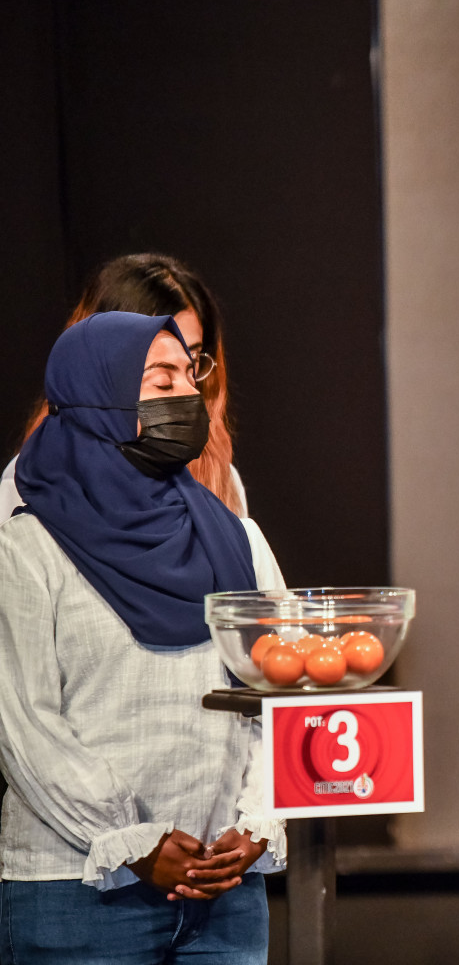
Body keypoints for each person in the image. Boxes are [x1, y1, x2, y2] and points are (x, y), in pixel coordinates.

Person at [0, 312, 285, 964]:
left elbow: (281, 691)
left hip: (225, 890)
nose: (187, 395)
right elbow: (24, 726)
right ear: (97, 399)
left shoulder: (238, 540)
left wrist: (259, 824)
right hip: (78, 892)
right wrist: (132, 840)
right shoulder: (27, 549)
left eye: (191, 374)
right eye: (161, 380)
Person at [1, 253, 246, 518]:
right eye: (162, 375)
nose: (187, 391)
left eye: (193, 360)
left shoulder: (222, 478)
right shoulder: (32, 482)